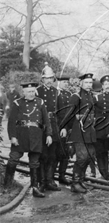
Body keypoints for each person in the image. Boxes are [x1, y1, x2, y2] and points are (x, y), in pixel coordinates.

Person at [4, 82, 52, 198]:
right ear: (24, 92)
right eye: (29, 92)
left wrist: (49, 134)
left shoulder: (40, 102)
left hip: (36, 136)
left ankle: (35, 188)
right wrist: (13, 137)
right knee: (13, 159)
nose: (31, 94)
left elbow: (46, 120)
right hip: (21, 135)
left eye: (33, 91)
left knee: (34, 162)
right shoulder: (17, 103)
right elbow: (11, 123)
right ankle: (7, 185)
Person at [60, 73, 97, 193]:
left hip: (90, 131)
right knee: (82, 157)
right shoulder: (76, 96)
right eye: (86, 82)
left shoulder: (91, 96)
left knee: (89, 157)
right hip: (79, 131)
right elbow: (68, 114)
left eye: (90, 82)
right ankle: (75, 183)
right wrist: (64, 127)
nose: (88, 85)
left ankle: (80, 180)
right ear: (80, 83)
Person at [36, 63, 61, 191]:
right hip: (41, 126)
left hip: (54, 125)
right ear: (42, 79)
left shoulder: (56, 92)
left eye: (51, 78)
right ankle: (41, 182)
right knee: (42, 155)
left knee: (53, 155)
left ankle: (50, 181)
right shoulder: (37, 91)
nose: (49, 80)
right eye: (47, 78)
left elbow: (60, 111)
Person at [93, 75, 109, 180]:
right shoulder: (97, 98)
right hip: (99, 130)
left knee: (106, 152)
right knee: (99, 152)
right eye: (105, 84)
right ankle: (103, 172)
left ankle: (106, 172)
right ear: (102, 86)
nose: (107, 86)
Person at [54, 73, 73, 185]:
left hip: (68, 128)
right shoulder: (56, 94)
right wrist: (62, 127)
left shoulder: (69, 94)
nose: (66, 84)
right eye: (64, 82)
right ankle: (50, 177)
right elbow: (57, 114)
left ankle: (62, 175)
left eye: (67, 82)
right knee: (56, 153)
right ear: (59, 82)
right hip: (59, 128)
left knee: (66, 153)